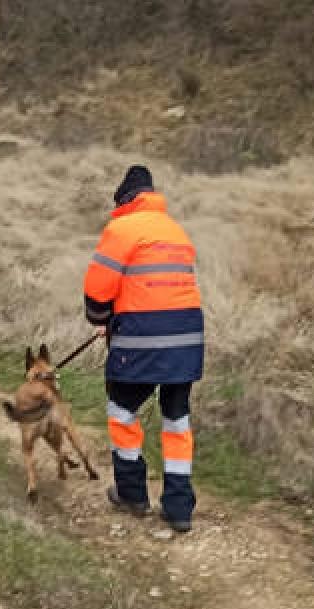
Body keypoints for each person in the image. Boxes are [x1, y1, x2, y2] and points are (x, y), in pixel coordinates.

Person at [83, 165, 204, 534]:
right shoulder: (176, 230)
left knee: (122, 410)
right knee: (177, 420)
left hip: (139, 342)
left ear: (124, 200)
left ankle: (132, 492)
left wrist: (102, 318)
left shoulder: (121, 229)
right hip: (187, 340)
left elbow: (97, 292)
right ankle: (179, 507)